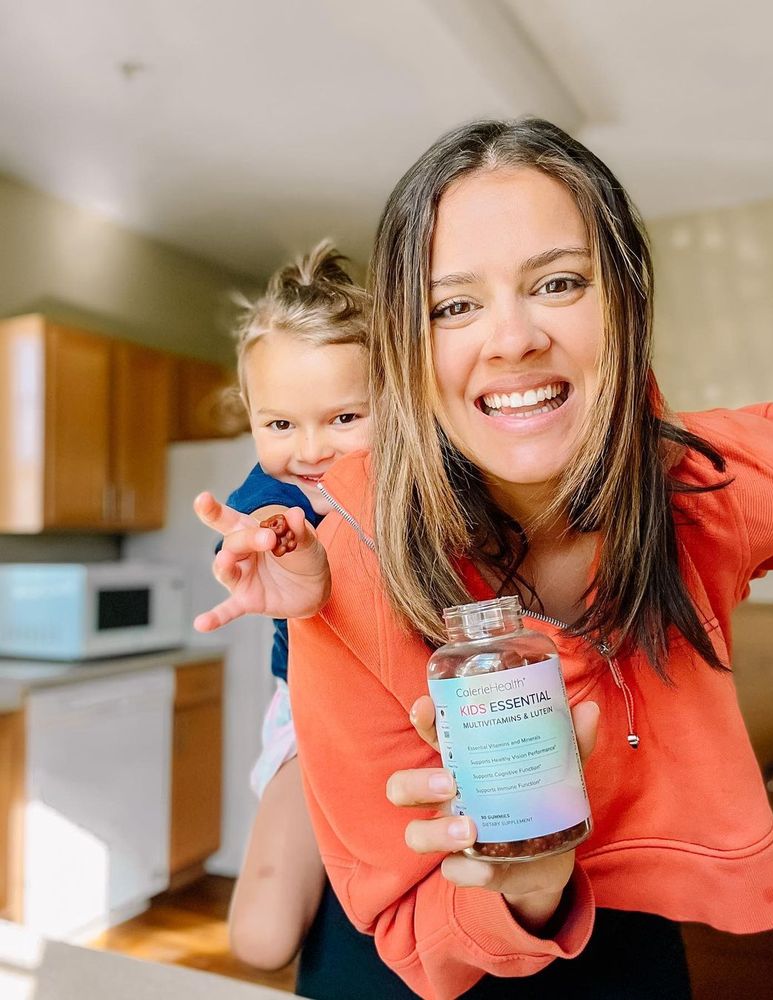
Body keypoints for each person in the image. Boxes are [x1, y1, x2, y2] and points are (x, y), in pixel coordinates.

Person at [199, 119, 773, 1000]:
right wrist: (526, 887)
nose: (512, 338)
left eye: (557, 283)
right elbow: (415, 935)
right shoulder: (345, 562)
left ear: (626, 305)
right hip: (416, 949)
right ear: (409, 350)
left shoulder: (705, 489)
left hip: (634, 948)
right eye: (453, 305)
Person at [193, 240, 372, 971]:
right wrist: (258, 544)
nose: (310, 449)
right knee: (260, 938)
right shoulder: (276, 494)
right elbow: (244, 536)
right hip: (307, 715)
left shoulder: (420, 486)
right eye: (279, 424)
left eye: (345, 417)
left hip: (414, 716)